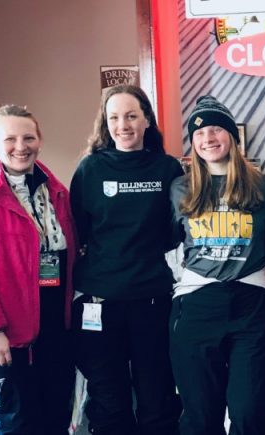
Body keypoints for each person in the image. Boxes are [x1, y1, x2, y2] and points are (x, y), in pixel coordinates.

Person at [70, 85, 183, 435]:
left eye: (132, 116)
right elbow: (79, 229)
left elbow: (175, 230)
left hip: (151, 298)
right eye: (114, 117)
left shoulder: (167, 168)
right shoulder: (90, 169)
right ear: (105, 123)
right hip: (100, 301)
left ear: (147, 119)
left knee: (156, 395)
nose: (124, 125)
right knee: (108, 397)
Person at [168, 95, 265, 435]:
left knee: (249, 412)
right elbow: (169, 241)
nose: (207, 138)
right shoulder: (180, 188)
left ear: (232, 136)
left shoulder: (264, 185)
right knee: (201, 415)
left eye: (216, 129)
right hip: (197, 302)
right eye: (199, 133)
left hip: (251, 302)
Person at [0, 105, 77, 434]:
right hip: (4, 336)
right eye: (10, 139)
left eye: (28, 137)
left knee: (56, 416)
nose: (20, 146)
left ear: (39, 141)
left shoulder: (58, 194)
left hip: (54, 329)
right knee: (18, 421)